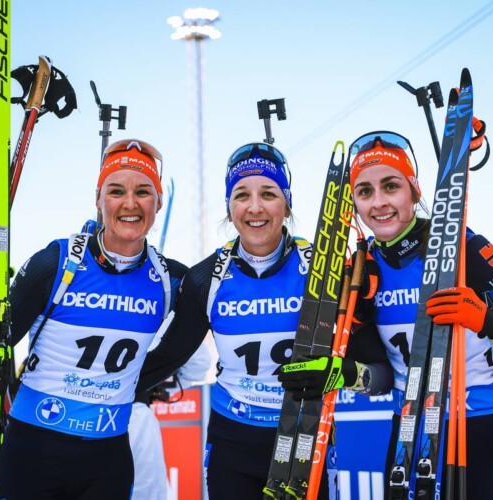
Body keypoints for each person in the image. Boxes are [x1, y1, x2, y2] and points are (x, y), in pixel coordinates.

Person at [284, 130, 493, 499]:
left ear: (414, 190)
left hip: (481, 423)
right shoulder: (362, 274)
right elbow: (382, 379)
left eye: (391, 186)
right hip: (409, 431)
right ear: (354, 204)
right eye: (364, 191)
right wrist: (346, 374)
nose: (379, 202)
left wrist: (488, 322)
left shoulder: (469, 251)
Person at [137, 142, 392, 500]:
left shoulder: (324, 269)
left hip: (307, 438)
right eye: (241, 195)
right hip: (232, 442)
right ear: (229, 208)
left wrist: (342, 373)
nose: (255, 207)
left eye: (268, 194)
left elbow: (381, 377)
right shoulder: (206, 279)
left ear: (287, 205)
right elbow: (166, 359)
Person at [0, 139, 188, 499]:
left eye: (143, 192)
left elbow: (190, 338)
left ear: (158, 202)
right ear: (98, 199)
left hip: (107, 458)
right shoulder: (56, 263)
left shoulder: (170, 280)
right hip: (34, 450)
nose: (130, 203)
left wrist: (133, 382)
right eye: (116, 191)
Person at [129, 338, 211, 499]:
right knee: (144, 491)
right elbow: (198, 362)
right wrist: (153, 386)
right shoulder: (156, 321)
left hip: (80, 414)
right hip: (135, 413)